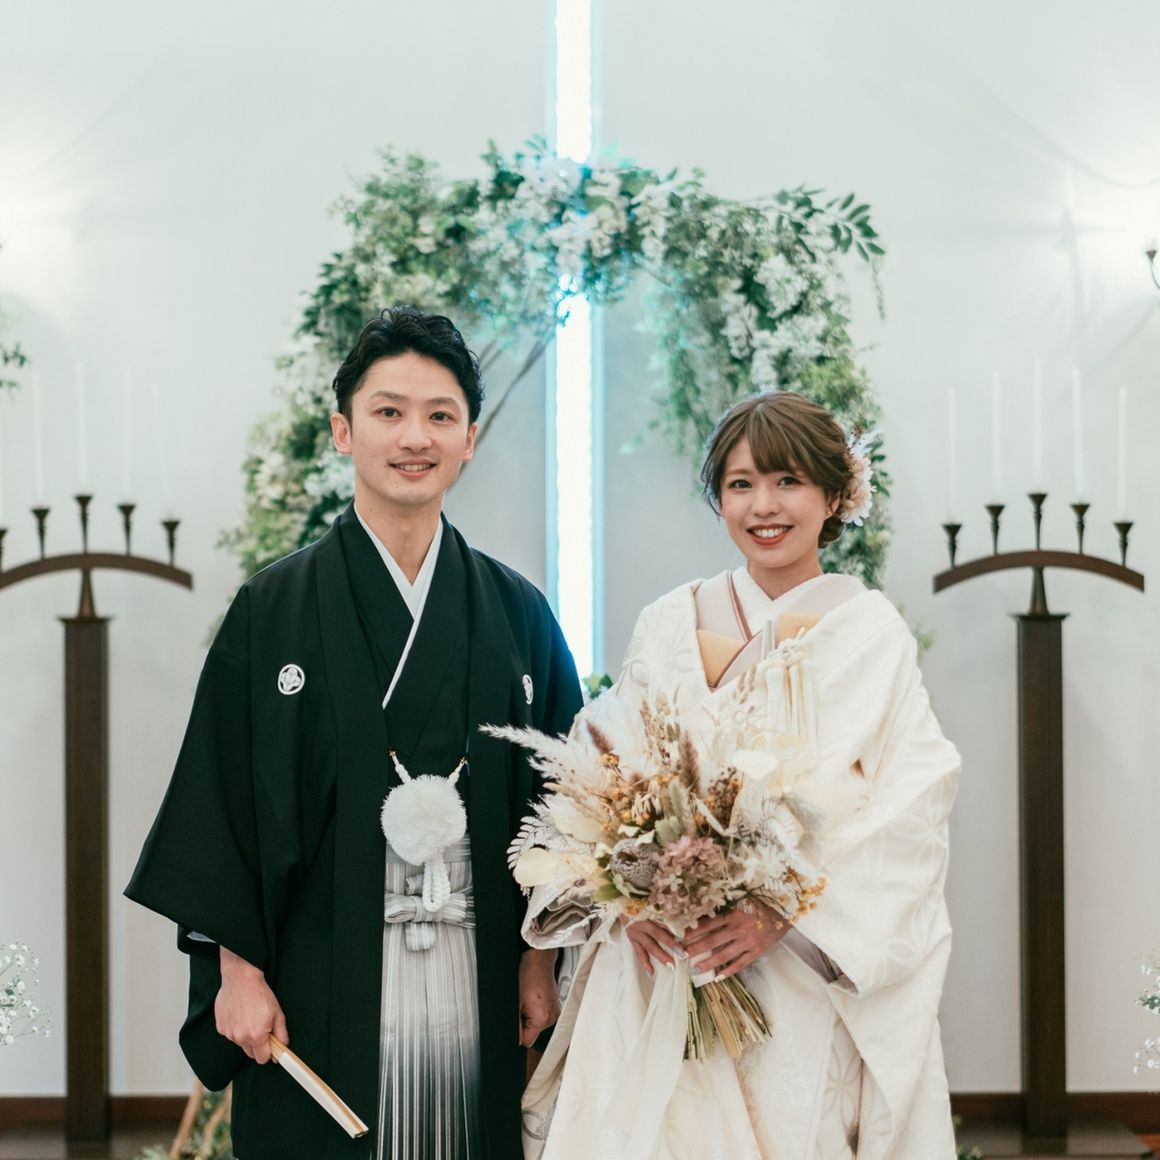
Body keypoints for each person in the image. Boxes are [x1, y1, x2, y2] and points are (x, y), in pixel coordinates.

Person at [126, 307, 583, 1160]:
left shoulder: (517, 612)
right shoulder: (273, 609)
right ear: (344, 430)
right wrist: (237, 973)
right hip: (317, 973)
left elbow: (565, 805)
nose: (415, 437)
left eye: (440, 415)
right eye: (388, 411)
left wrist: (537, 963)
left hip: (479, 968)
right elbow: (221, 804)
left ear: (469, 439)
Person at [522, 391, 960, 1159]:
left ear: (836, 495)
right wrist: (626, 899)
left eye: (789, 481)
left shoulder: (871, 633)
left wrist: (783, 910)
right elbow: (603, 764)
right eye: (741, 484)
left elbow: (912, 805)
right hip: (657, 963)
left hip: (792, 968)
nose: (764, 505)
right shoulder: (669, 618)